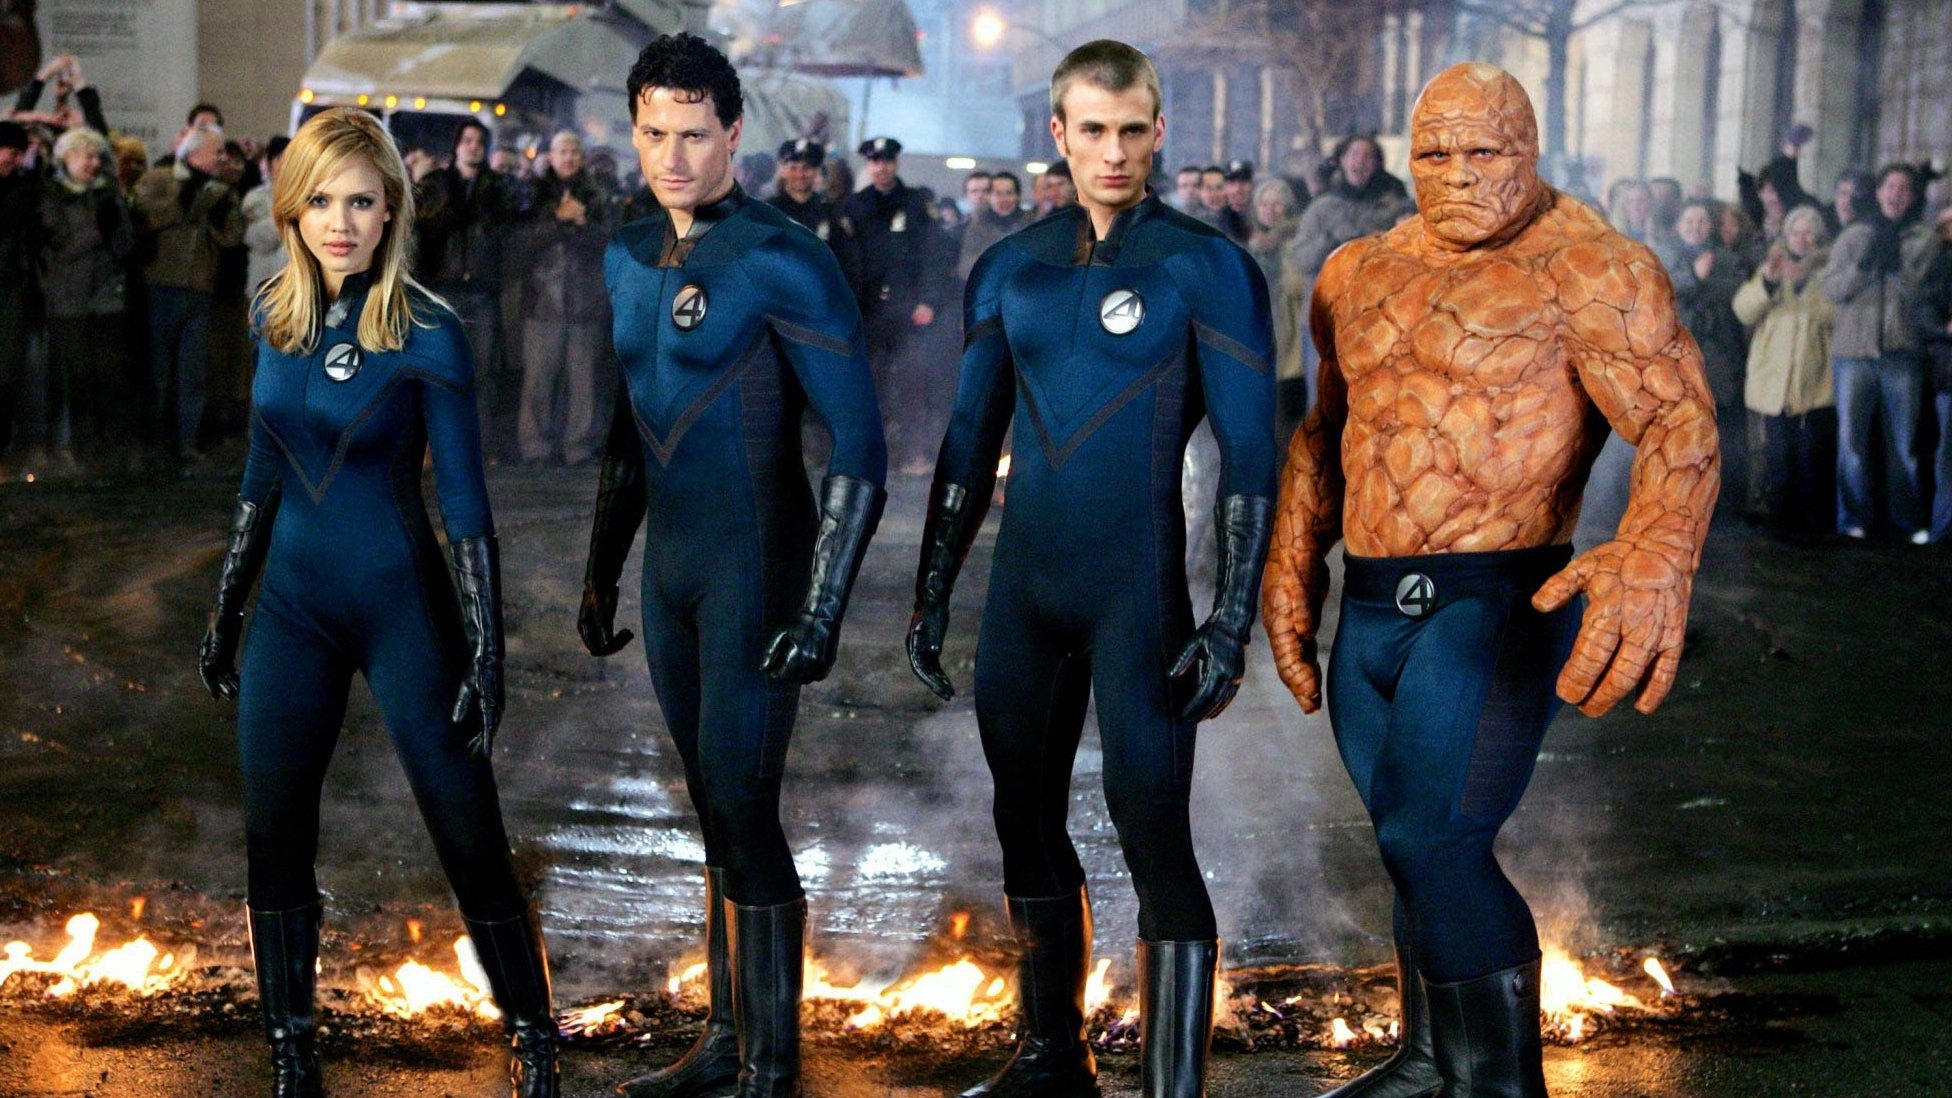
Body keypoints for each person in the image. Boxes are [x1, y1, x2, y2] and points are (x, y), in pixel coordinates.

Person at [1261, 64, 1718, 1098]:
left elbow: (1676, 418)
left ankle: (1501, 1085)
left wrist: (1658, 547)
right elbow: (1326, 430)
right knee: (1406, 841)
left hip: (1495, 600)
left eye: (1484, 151)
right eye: (1435, 153)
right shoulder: (1354, 271)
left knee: (1435, 835)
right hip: (1371, 604)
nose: (1458, 174)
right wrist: (1290, 564)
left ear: (1529, 150)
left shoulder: (1590, 268)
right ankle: (1432, 1061)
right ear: (1405, 158)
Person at [907, 39, 1276, 1098]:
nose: (1112, 152)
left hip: (1137, 597)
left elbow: (1252, 454)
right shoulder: (1008, 266)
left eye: (1131, 131)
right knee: (1021, 818)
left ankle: (1170, 1088)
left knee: (1149, 827)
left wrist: (1230, 617)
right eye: (1093, 131)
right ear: (1058, 134)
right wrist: (933, 589)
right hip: (1024, 593)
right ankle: (1050, 1057)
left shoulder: (1207, 267)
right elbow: (968, 442)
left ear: (1158, 134)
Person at [194, 107, 557, 1098]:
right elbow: (262, 474)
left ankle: (533, 1033)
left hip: (403, 610)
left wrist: (487, 649)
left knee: (466, 829)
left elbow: (466, 504)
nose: (340, 222)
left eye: (360, 202)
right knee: (273, 831)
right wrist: (228, 606)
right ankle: (291, 1049)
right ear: (292, 209)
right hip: (292, 613)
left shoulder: (429, 331)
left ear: (391, 208)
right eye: (321, 201)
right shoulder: (274, 315)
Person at [584, 34, 887, 1098]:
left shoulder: (783, 257)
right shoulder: (626, 251)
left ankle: (772, 1066)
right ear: (633, 131)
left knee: (744, 801)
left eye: (694, 135)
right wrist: (600, 568)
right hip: (671, 569)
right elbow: (629, 424)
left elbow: (861, 442)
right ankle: (727, 1042)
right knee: (711, 804)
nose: (672, 157)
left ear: (734, 133)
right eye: (654, 134)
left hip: (757, 565)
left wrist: (823, 605)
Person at [1821, 162, 1937, 542]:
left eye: (1904, 188)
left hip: (1901, 353)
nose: (1896, 194)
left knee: (1904, 445)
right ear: (1878, 192)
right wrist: (1864, 266)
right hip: (1853, 353)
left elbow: (1923, 294)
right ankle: (1853, 520)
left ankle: (1907, 520)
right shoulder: (1854, 236)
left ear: (1913, 196)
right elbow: (1832, 288)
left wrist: (1897, 267)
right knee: (1851, 444)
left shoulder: (1924, 239)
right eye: (1890, 186)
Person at [133, 124, 244, 468]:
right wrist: (185, 198)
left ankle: (187, 443)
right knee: (158, 371)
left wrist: (220, 214)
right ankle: (153, 442)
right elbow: (146, 217)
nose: (222, 158)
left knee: (192, 371)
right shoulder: (159, 179)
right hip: (161, 285)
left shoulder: (220, 191)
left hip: (200, 288)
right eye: (217, 152)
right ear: (195, 153)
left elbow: (232, 238)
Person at [839, 134, 949, 473]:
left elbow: (935, 256)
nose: (882, 168)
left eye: (887, 161)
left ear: (896, 163)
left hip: (909, 311)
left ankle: (914, 453)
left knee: (912, 382)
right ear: (868, 164)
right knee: (869, 384)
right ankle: (870, 454)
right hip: (869, 311)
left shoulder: (917, 203)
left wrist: (928, 300)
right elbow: (847, 260)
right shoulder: (854, 205)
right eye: (875, 161)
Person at [1281, 134, 1412, 412]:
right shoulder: (1322, 208)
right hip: (1325, 317)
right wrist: (1335, 245)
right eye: (1354, 154)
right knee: (1323, 402)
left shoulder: (1392, 207)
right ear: (1341, 160)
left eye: (1367, 156)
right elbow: (1299, 258)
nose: (1359, 162)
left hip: (1375, 317)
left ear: (1377, 163)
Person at [414, 119, 521, 457]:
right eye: (468, 140)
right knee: (439, 368)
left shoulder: (498, 186)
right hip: (443, 289)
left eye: (479, 141)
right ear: (457, 144)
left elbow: (508, 233)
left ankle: (477, 444)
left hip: (481, 290)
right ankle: (434, 445)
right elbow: (423, 229)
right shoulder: (437, 184)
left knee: (482, 373)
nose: (473, 146)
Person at [514, 129, 619, 465]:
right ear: (551, 156)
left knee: (583, 381)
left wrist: (583, 222)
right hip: (542, 301)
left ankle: (579, 448)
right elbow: (520, 242)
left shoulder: (598, 193)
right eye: (563, 151)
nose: (569, 157)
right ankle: (535, 447)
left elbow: (610, 242)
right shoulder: (532, 192)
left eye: (575, 151)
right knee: (538, 380)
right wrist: (557, 220)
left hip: (586, 301)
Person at [1734, 204, 1836, 540]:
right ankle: (1779, 524)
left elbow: (1836, 316)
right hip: (1775, 381)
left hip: (1814, 381)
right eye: (1796, 231)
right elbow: (1744, 310)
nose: (1802, 238)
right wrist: (1767, 283)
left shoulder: (1830, 270)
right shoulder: (1772, 267)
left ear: (1818, 237)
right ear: (1786, 235)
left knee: (1811, 457)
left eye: (1809, 232)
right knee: (1778, 455)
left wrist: (1805, 283)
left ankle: (1812, 527)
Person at [39, 125, 132, 471]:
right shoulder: (52, 194)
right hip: (69, 303)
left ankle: (108, 453)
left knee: (109, 378)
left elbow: (126, 246)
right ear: (67, 156)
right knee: (77, 380)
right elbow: (61, 247)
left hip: (107, 301)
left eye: (96, 157)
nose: (94, 163)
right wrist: (98, 229)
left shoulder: (107, 192)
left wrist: (117, 225)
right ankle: (78, 450)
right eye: (87, 156)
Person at [1661, 199, 1749, 507]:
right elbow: (1662, 290)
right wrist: (1696, 277)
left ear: (1710, 227)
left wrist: (1699, 285)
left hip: (1720, 359)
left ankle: (1723, 503)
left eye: (1701, 222)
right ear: (1678, 226)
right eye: (1689, 221)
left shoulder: (1726, 258)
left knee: (1720, 432)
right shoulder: (1665, 255)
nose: (1695, 228)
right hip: (1677, 359)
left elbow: (1735, 290)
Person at [1914, 205, 1952, 543]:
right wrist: (1946, 328)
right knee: (1947, 458)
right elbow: (1924, 313)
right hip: (1949, 376)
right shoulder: (1939, 266)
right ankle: (1942, 533)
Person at [0, 119, 37, 467]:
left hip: (11, 290)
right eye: (11, 152)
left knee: (7, 374)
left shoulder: (23, 188)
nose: (15, 159)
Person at [956, 169, 1030, 282]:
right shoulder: (977, 227)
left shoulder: (1032, 224)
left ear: (1018, 196)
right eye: (998, 193)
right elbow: (965, 267)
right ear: (990, 197)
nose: (1004, 199)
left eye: (1009, 193)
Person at [1605, 177, 1654, 242]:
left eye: (1641, 201)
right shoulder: (1610, 236)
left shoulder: (1660, 237)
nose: (1635, 207)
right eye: (1630, 201)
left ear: (1649, 204)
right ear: (1622, 206)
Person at [1219, 158, 1254, 243]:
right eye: (1232, 183)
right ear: (1225, 187)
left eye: (1243, 182)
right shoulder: (1216, 219)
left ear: (1252, 185)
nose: (1238, 189)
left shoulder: (1262, 217)